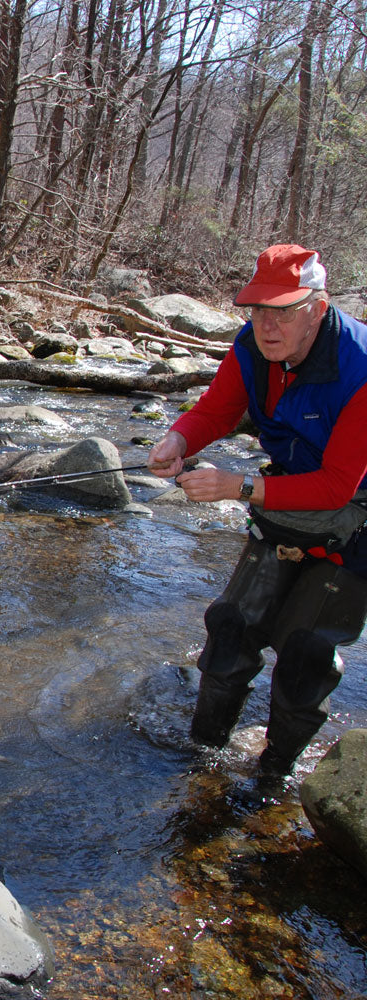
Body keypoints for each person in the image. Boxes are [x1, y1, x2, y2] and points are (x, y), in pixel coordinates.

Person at [148, 243, 367, 775]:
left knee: (306, 657)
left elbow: (338, 487)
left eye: (283, 311)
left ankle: (274, 776)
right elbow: (218, 409)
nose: (267, 325)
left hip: (356, 524)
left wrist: (237, 486)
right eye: (257, 310)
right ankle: (200, 760)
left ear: (317, 305)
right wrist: (178, 438)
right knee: (229, 629)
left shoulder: (361, 368)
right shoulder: (252, 346)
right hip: (284, 508)